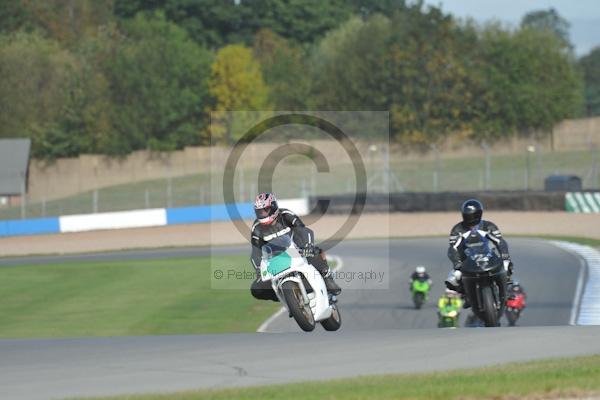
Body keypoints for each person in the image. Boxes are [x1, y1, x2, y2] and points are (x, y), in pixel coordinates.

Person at [249, 192, 341, 302]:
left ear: (273, 207)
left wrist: (307, 246)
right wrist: (259, 270)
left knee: (315, 252)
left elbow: (303, 230)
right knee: (256, 289)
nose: (262, 214)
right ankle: (282, 296)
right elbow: (255, 252)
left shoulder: (285, 214)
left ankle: (327, 278)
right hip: (275, 260)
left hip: (296, 250)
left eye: (265, 210)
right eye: (259, 212)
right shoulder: (256, 228)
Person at [445, 199, 513, 306]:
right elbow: (452, 248)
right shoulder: (458, 229)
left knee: (506, 265)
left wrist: (505, 256)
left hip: (488, 256)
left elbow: (500, 241)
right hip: (467, 260)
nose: (470, 218)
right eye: (467, 215)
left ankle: (506, 289)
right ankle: (466, 294)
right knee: (453, 278)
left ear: (479, 214)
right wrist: (456, 263)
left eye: (472, 215)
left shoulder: (488, 226)